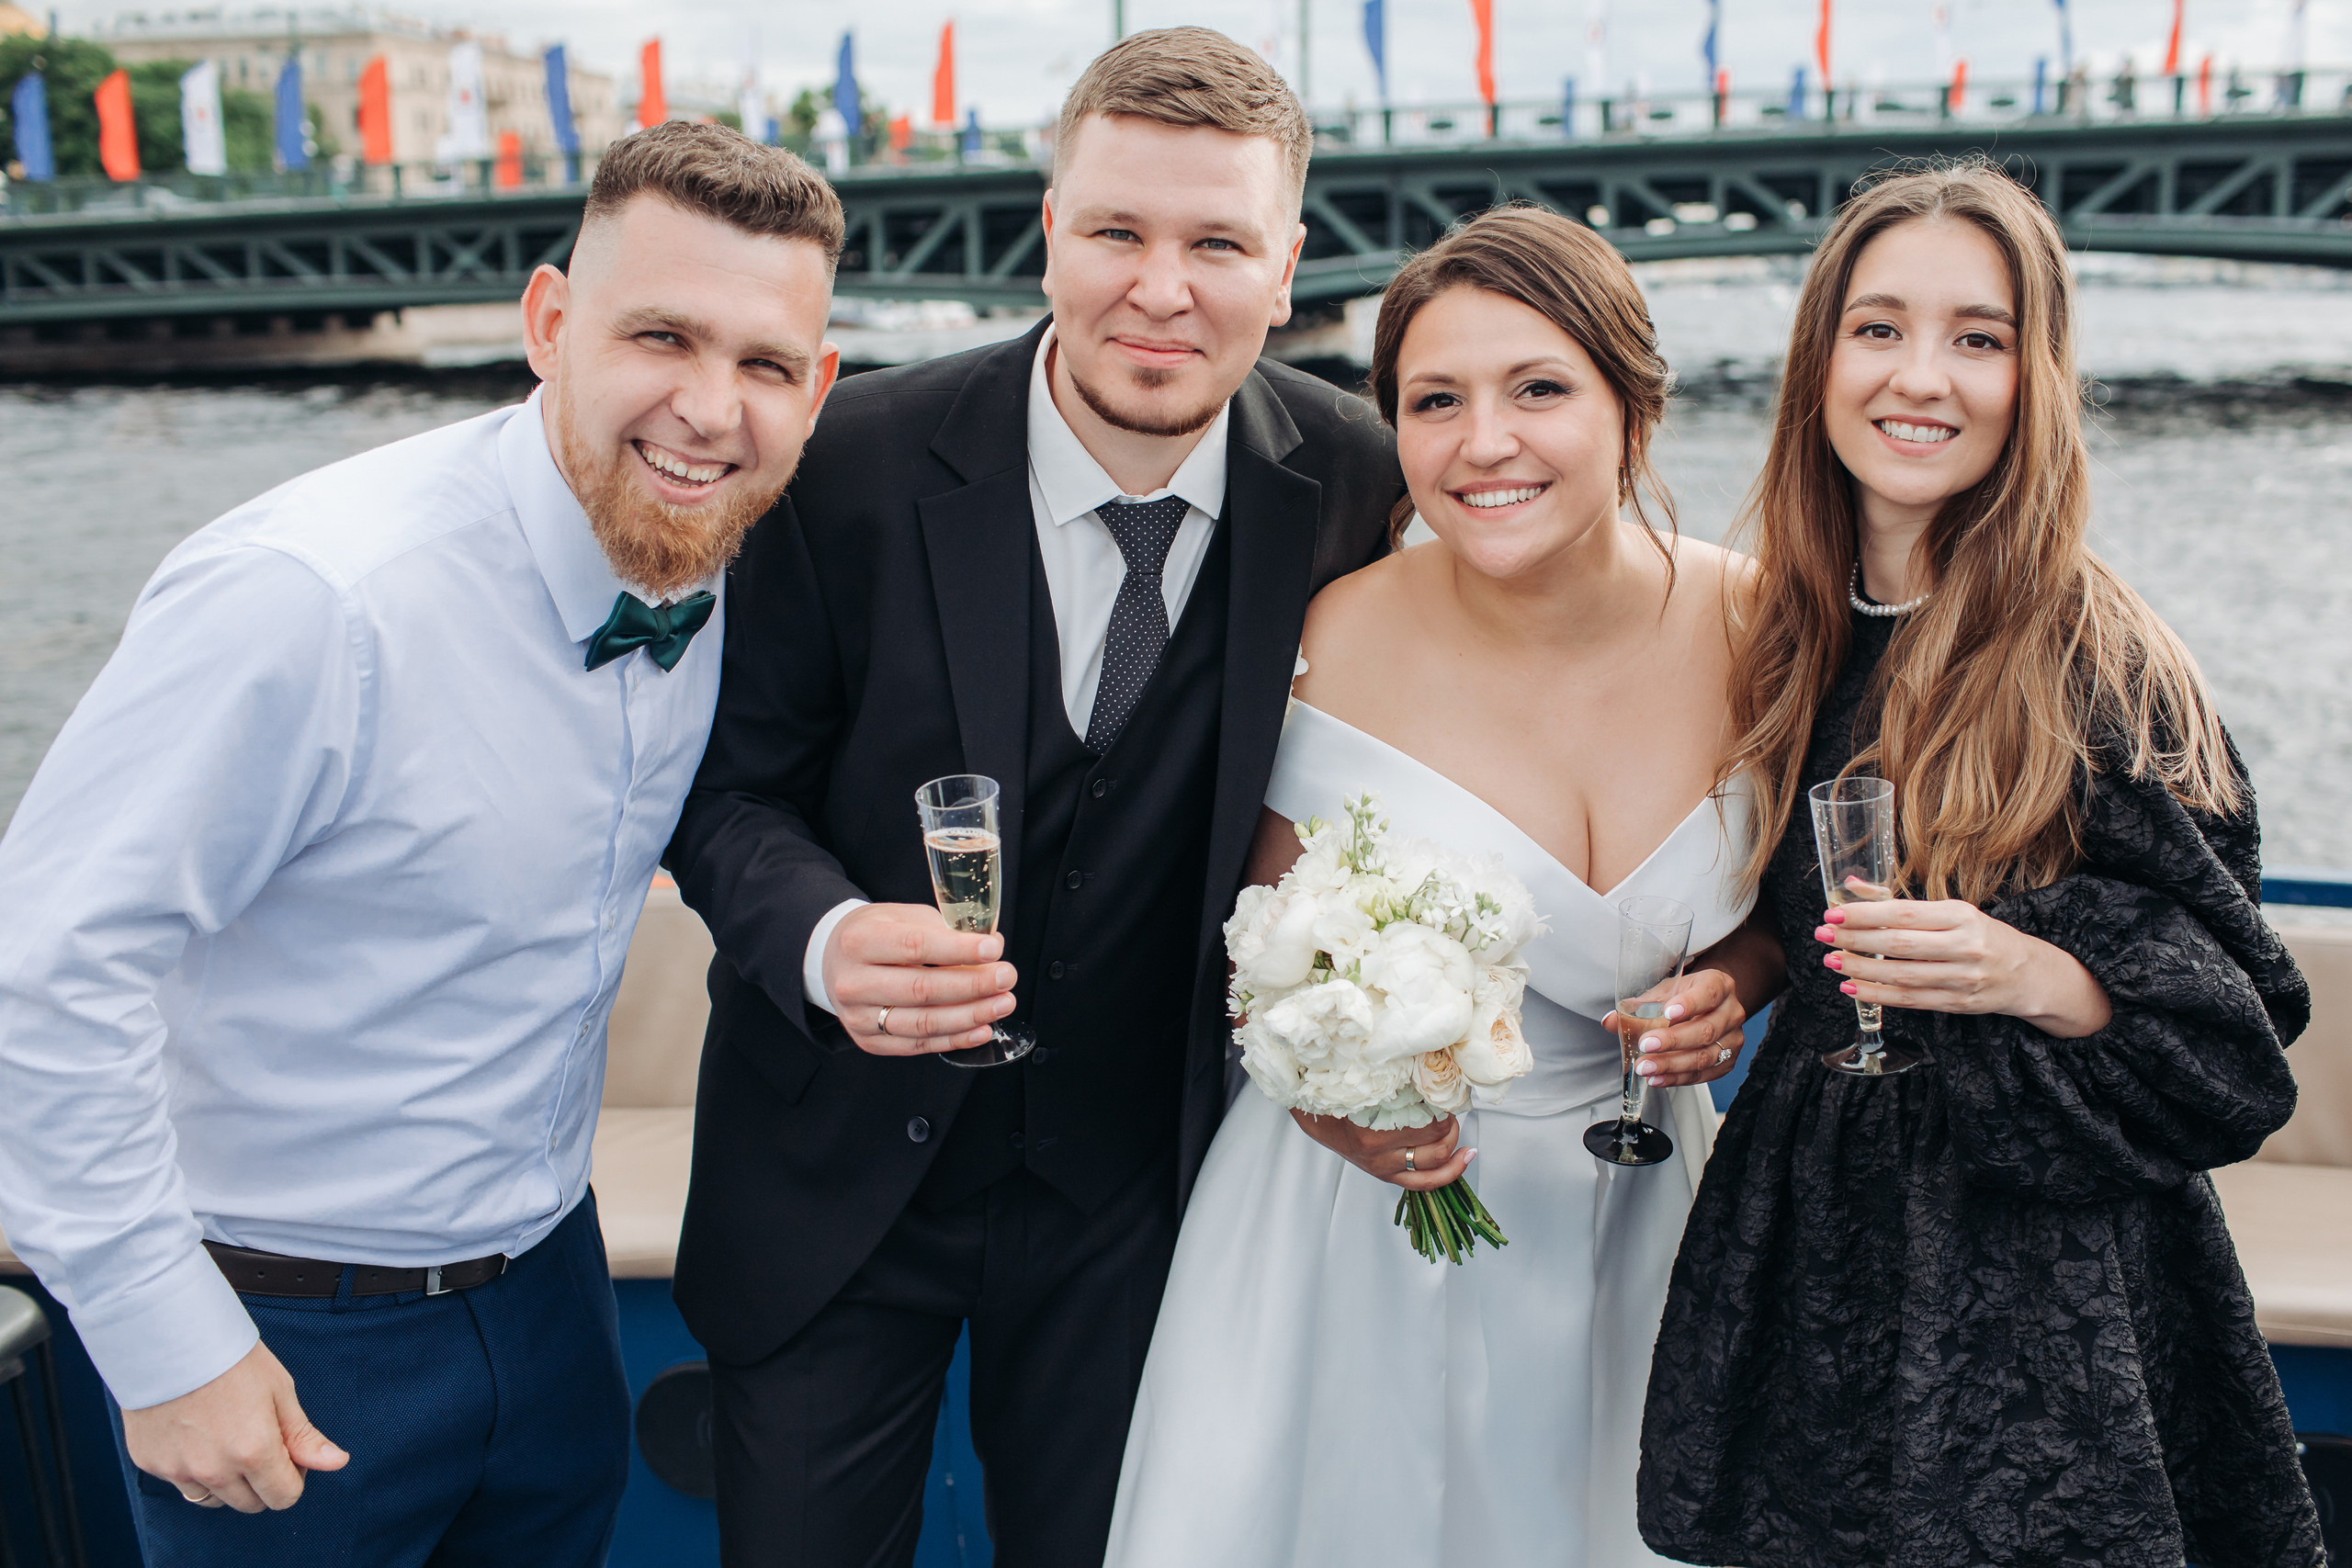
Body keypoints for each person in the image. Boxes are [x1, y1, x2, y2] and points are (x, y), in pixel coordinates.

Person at [0, 122, 842, 1565]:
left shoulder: (705, 556)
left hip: (548, 1291)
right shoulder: (312, 596)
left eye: (766, 365)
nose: (711, 410)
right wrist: (163, 1336)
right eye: (663, 338)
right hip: (277, 1325)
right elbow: (43, 970)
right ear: (549, 323)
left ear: (820, 389)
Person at [662, 28, 1404, 1567]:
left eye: (1219, 242)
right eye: (1119, 231)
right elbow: (728, 793)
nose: (1162, 287)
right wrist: (821, 943)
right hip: (830, 1189)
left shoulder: (1356, 477)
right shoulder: (841, 464)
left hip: (1144, 1202)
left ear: (1288, 265)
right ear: (1049, 231)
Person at [1636, 161, 2326, 1568]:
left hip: (2036, 1295)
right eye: (1879, 327)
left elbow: (2234, 1049)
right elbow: (1804, 911)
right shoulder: (1795, 629)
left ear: (2037, 376)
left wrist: (2031, 970)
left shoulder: (2098, 665)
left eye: (1980, 337)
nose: (1922, 377)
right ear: (1820, 358)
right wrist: (1739, 977)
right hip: (1823, 1243)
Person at [1104, 205, 1767, 1567]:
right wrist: (1324, 1093)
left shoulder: (1767, 630)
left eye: (1539, 389)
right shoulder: (1329, 639)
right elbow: (1252, 952)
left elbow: (1793, 906)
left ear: (1632, 407)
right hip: (1360, 1231)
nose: (1485, 444)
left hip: (1652, 1221)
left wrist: (1736, 987)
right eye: (1435, 401)